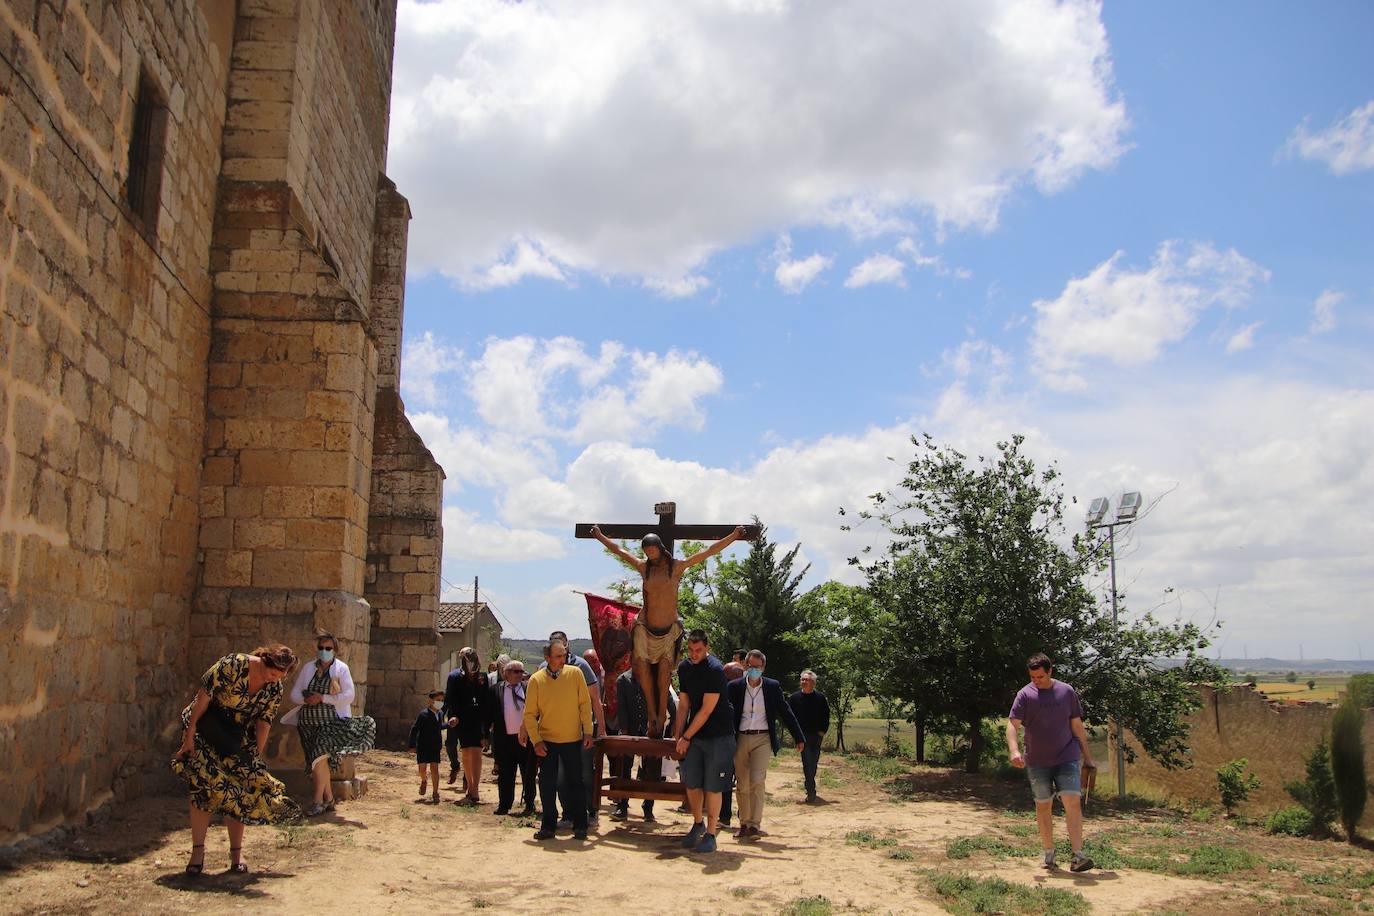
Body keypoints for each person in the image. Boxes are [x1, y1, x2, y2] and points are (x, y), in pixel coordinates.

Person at [590, 525, 746, 737]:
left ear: (661, 548)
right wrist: (599, 536)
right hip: (645, 626)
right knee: (642, 667)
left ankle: (661, 714)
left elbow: (708, 552)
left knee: (664, 670)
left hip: (668, 629)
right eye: (646, 552)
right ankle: (652, 713)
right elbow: (619, 550)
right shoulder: (644, 568)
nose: (650, 555)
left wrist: (734, 536)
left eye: (652, 551)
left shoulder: (676, 567)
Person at [171, 645, 299, 875]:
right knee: (202, 789)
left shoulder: (274, 688)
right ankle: (197, 853)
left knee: (239, 790)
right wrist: (188, 737)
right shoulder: (233, 664)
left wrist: (254, 758)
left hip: (236, 738)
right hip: (204, 730)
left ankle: (236, 855)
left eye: (280, 677)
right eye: (272, 674)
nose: (274, 680)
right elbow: (202, 697)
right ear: (264, 662)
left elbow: (264, 722)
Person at [1006, 652, 1096, 873]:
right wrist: (1014, 750)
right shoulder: (1024, 695)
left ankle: (1077, 855)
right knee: (1043, 805)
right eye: (1033, 677)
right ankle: (1049, 853)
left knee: (1072, 800)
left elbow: (1076, 725)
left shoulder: (1066, 692)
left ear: (1050, 671)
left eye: (1040, 677)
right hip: (1037, 761)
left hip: (1067, 755)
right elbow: (1012, 725)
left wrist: (1088, 757)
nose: (1036, 681)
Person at [281, 632, 377, 817]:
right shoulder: (309, 668)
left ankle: (317, 801)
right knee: (318, 762)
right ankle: (329, 798)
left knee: (318, 758)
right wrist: (306, 700)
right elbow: (294, 695)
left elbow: (349, 695)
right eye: (321, 648)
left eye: (328, 648)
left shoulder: (341, 669)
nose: (324, 652)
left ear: (334, 650)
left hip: (330, 722)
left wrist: (323, 698)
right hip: (308, 722)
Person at [726, 649, 804, 838]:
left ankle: (754, 825)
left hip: (763, 738)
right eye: (750, 666)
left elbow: (785, 711)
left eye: (757, 667)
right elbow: (725, 713)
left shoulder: (771, 686)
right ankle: (743, 823)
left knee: (757, 780)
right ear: (745, 666)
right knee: (742, 784)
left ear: (763, 668)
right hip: (741, 737)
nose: (753, 670)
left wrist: (798, 736)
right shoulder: (734, 687)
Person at [524, 641, 594, 841]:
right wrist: (536, 741)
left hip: (572, 740)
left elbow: (584, 704)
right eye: (558, 656)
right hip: (547, 741)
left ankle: (580, 825)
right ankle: (548, 826)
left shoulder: (575, 674)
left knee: (576, 783)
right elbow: (529, 714)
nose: (563, 659)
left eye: (565, 655)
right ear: (547, 658)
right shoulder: (536, 680)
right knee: (546, 784)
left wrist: (588, 732)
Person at [674, 629, 736, 853]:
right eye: (690, 650)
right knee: (691, 782)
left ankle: (711, 833)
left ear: (707, 648)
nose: (694, 654)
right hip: (695, 735)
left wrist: (686, 736)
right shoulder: (684, 668)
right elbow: (683, 705)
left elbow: (706, 711)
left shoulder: (715, 670)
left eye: (698, 650)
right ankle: (697, 823)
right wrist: (677, 735)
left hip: (718, 735)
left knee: (712, 786)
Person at [541, 630, 606, 827]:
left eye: (563, 644)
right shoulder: (544, 669)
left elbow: (594, 700)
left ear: (567, 645)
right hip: (556, 733)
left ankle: (590, 812)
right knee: (561, 777)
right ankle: (568, 814)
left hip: (581, 731)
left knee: (585, 774)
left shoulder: (581, 666)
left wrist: (600, 730)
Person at [610, 666, 677, 822]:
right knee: (625, 768)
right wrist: (625, 731)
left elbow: (667, 699)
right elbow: (622, 708)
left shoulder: (656, 679)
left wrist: (674, 720)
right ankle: (623, 805)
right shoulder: (623, 680)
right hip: (631, 729)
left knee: (652, 770)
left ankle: (648, 806)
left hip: (652, 729)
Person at [444, 646, 492, 805]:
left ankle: (474, 789)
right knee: (465, 752)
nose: (470, 663)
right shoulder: (455, 677)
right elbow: (450, 699)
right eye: (466, 660)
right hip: (461, 719)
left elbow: (486, 703)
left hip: (477, 719)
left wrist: (486, 728)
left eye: (472, 660)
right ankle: (470, 786)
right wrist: (451, 716)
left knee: (477, 752)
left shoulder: (483, 677)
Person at [491, 659, 536, 816]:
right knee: (505, 774)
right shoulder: (496, 689)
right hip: (505, 739)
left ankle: (530, 803)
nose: (519, 675)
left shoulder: (528, 688)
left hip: (525, 739)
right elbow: (489, 714)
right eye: (515, 671)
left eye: (521, 672)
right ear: (506, 674)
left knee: (528, 774)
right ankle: (504, 805)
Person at [789, 670, 830, 802]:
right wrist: (795, 735)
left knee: (813, 762)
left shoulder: (820, 698)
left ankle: (810, 785)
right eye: (803, 680)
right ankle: (811, 791)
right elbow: (789, 717)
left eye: (807, 680)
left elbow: (826, 716)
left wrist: (822, 731)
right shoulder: (794, 698)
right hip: (802, 736)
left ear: (813, 683)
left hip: (817, 735)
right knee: (807, 762)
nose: (804, 682)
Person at [719, 659, 745, 826]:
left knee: (742, 779)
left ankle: (742, 814)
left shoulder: (748, 692)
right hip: (726, 739)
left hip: (743, 739)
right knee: (727, 779)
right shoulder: (722, 691)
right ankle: (725, 815)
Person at [408, 690, 447, 803]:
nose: (440, 703)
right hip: (423, 746)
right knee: (422, 769)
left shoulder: (440, 714)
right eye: (437, 700)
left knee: (435, 768)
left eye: (441, 701)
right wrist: (412, 744)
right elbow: (415, 729)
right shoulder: (423, 714)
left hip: (435, 746)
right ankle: (424, 780)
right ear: (430, 701)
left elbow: (439, 726)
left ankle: (435, 792)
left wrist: (448, 725)